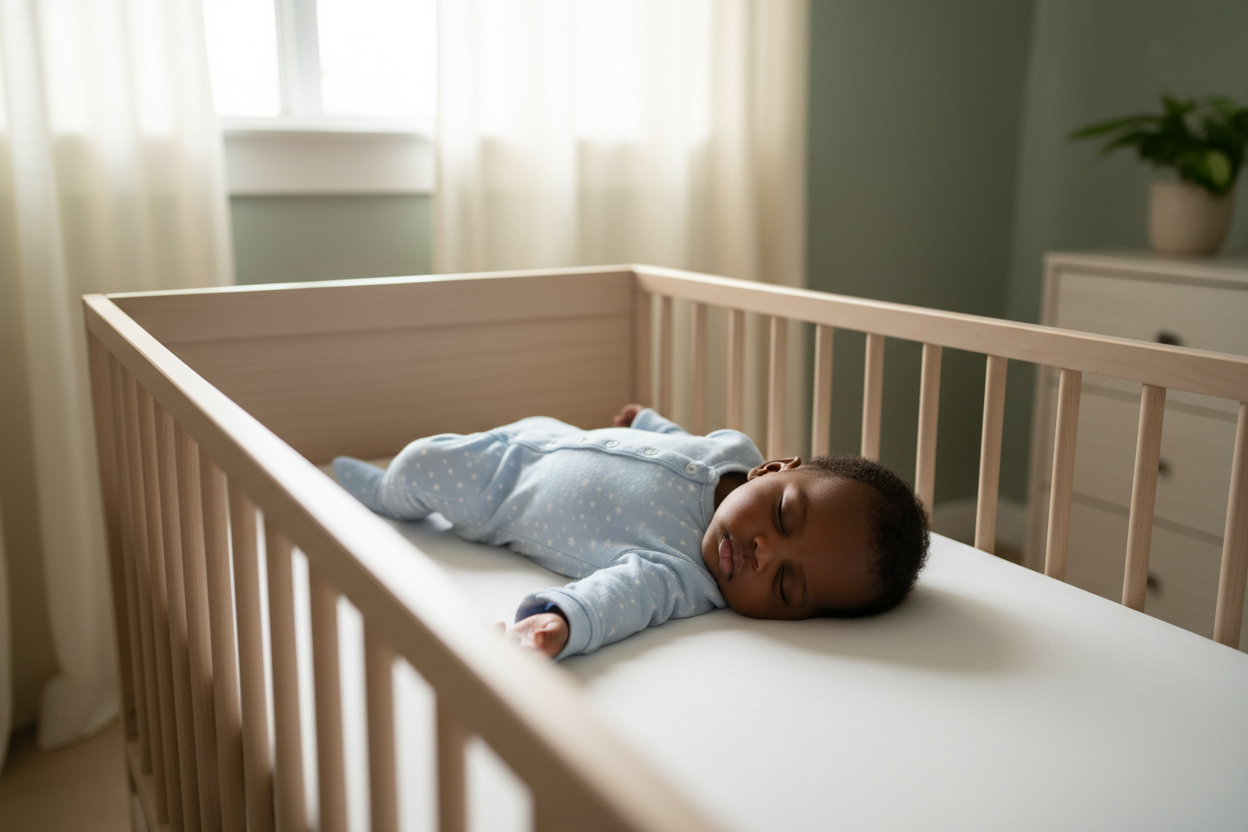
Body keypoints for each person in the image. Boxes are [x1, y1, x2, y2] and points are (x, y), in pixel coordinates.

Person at [333, 405, 929, 660]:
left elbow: (618, 600)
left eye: (785, 586)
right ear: (772, 469)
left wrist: (560, 622)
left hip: (496, 491)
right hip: (557, 432)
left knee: (418, 462)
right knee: (462, 442)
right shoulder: (734, 450)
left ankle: (381, 490)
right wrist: (647, 420)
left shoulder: (681, 575)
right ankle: (385, 486)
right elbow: (680, 441)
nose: (761, 554)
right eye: (781, 517)